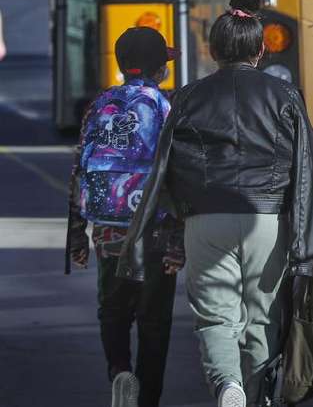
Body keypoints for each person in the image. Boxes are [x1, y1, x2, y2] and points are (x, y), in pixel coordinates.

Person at [120, 0, 313, 407]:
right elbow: (307, 172)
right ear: (262, 49)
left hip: (205, 219)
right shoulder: (285, 96)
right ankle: (255, 394)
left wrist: (161, 227)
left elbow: (164, 169)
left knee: (215, 317)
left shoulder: (188, 97)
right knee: (262, 318)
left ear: (212, 50)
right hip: (267, 220)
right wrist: (306, 248)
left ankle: (227, 384)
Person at [65, 26, 181, 407]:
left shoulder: (101, 105)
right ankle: (147, 396)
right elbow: (177, 174)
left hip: (109, 230)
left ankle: (119, 371)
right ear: (159, 70)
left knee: (113, 309)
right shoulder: (165, 107)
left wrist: (78, 234)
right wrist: (178, 240)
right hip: (154, 230)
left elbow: (80, 167)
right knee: (154, 319)